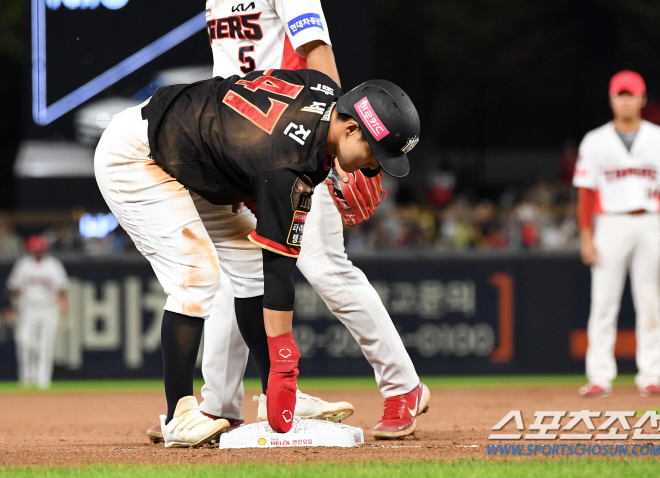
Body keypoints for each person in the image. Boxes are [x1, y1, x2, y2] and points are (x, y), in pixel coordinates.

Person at [148, 0, 429, 442]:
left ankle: (403, 386)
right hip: (241, 151)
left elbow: (318, 54)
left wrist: (336, 145)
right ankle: (221, 404)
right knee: (238, 270)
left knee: (325, 265)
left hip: (296, 143)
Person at [95, 70, 420, 446]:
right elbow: (279, 265)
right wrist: (285, 361)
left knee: (248, 267)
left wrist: (239, 164)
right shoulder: (287, 163)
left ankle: (276, 397)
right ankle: (178, 415)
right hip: (139, 155)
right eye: (375, 154)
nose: (373, 167)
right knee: (197, 275)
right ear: (349, 129)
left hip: (190, 154)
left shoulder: (325, 91)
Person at [574, 70, 660, 397]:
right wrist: (586, 236)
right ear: (612, 99)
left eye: (631, 95)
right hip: (609, 223)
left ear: (642, 99)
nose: (625, 100)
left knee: (650, 302)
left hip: (649, 222)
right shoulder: (595, 140)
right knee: (603, 303)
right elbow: (585, 193)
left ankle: (651, 375)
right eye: (620, 95)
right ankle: (599, 376)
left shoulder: (659, 137)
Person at [5, 235, 69, 388]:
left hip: (48, 308)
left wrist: (64, 306)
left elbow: (62, 287)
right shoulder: (23, 265)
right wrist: (13, 306)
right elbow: (12, 287)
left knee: (46, 344)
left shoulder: (53, 265)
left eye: (40, 248)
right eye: (35, 248)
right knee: (24, 341)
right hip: (28, 308)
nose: (38, 251)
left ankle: (43, 380)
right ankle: (26, 376)